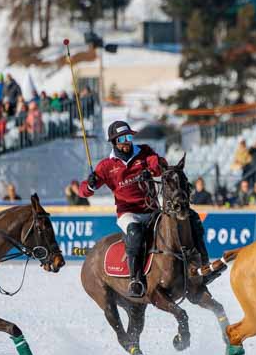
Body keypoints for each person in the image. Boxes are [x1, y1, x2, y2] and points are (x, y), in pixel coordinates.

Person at [77, 121, 208, 297]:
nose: (128, 141)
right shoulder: (106, 166)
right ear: (115, 142)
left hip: (152, 210)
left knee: (191, 218)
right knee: (135, 233)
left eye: (129, 137)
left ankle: (204, 264)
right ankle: (136, 279)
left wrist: (153, 169)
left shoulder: (143, 152)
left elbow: (159, 164)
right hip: (128, 213)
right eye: (123, 138)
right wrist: (91, 184)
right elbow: (83, 191)